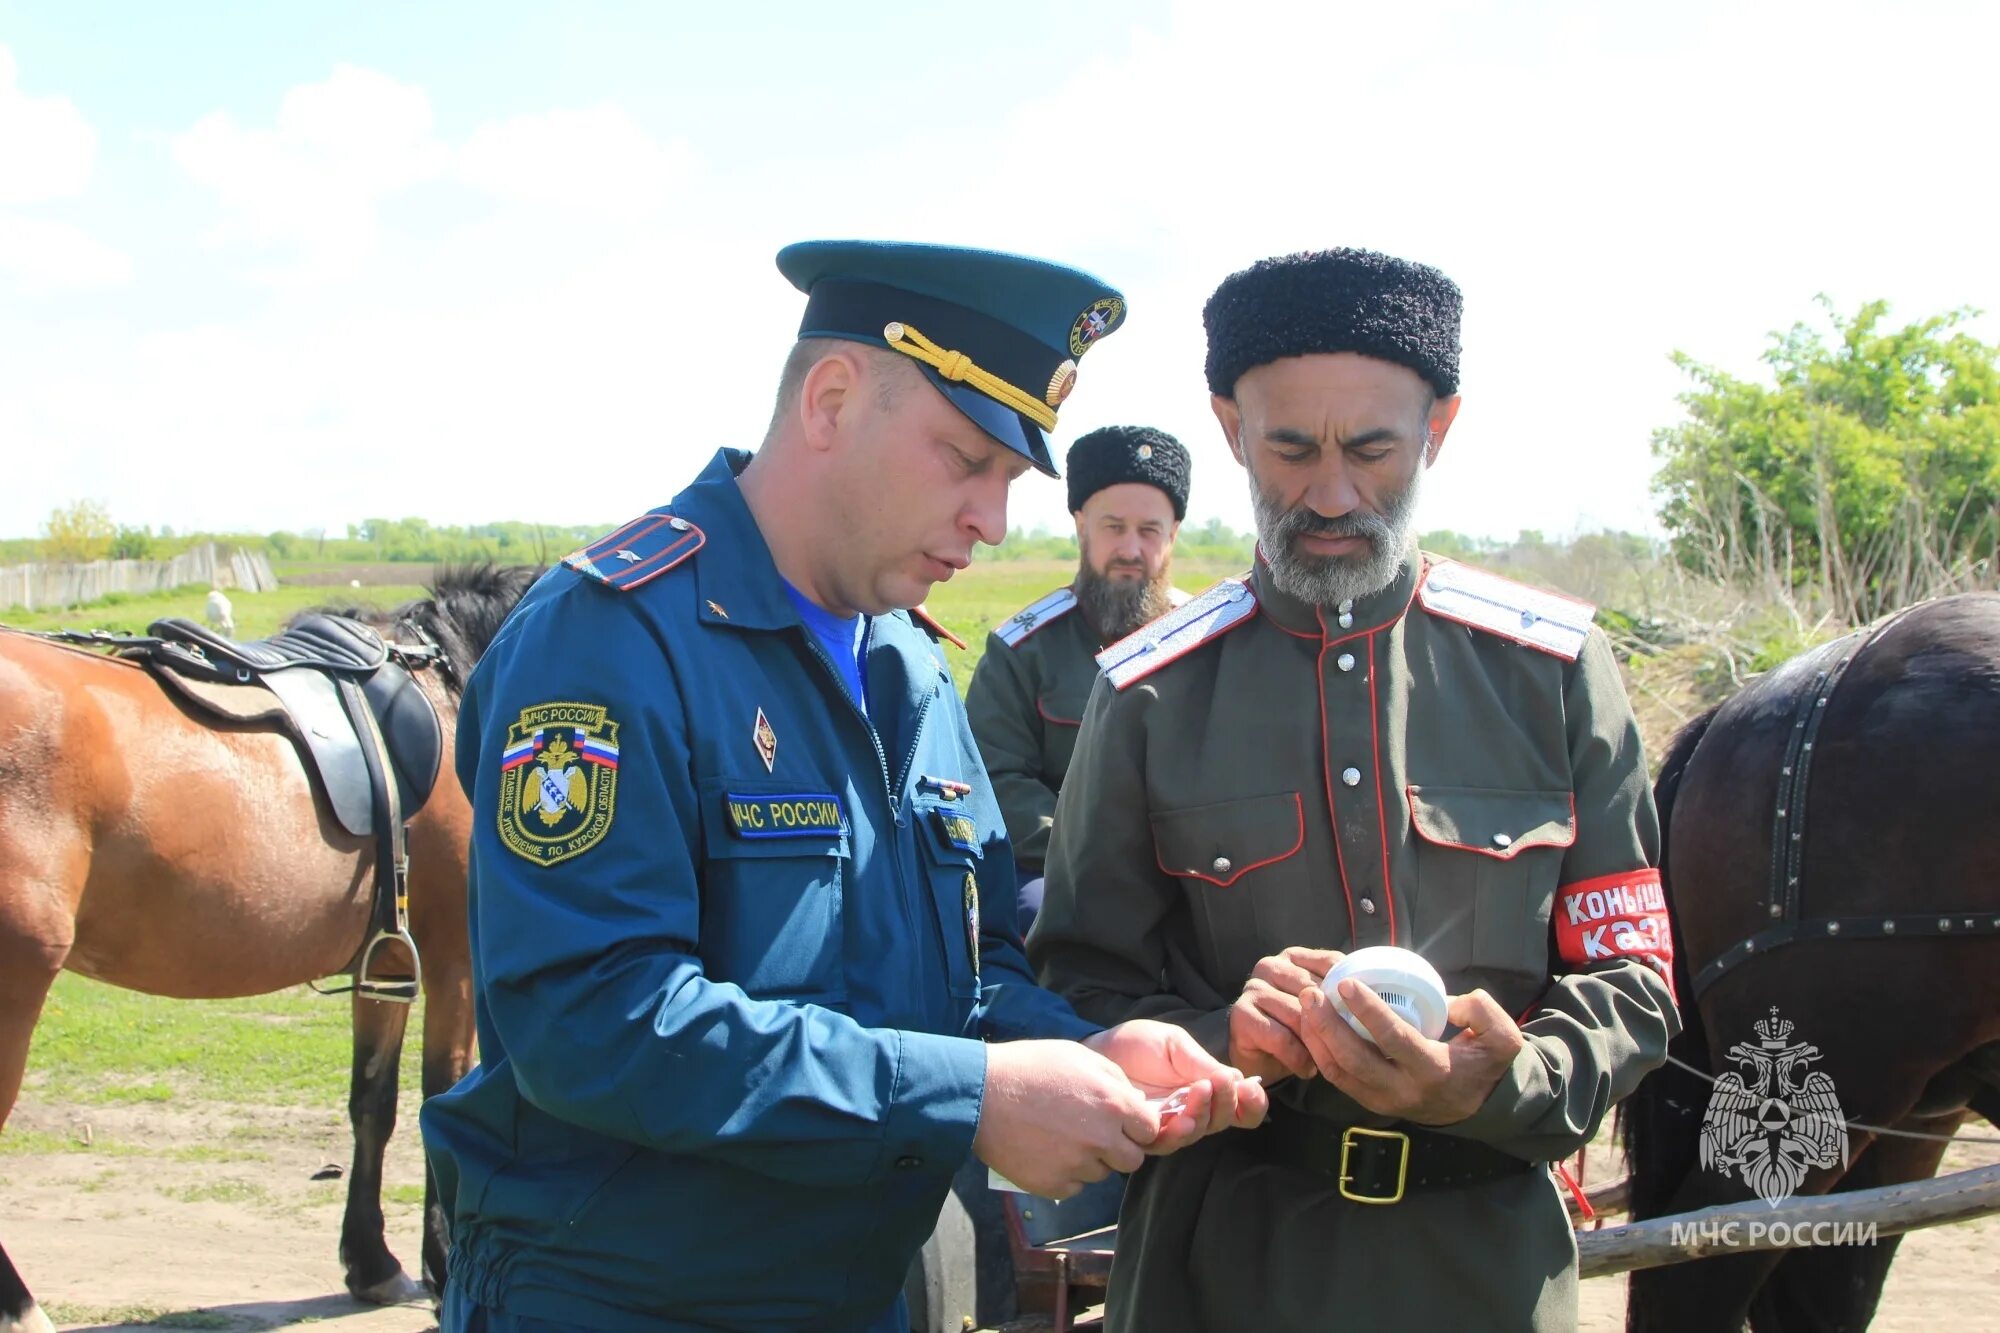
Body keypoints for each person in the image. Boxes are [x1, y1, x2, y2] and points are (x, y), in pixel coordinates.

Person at [419, 240, 1267, 1333]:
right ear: (829, 399)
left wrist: (1066, 1048)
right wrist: (971, 1098)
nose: (992, 521)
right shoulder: (609, 640)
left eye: (1009, 482)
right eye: (964, 459)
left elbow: (960, 972)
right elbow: (592, 1021)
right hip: (628, 1299)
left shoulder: (906, 662)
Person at [1029, 247, 1679, 1331]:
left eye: (1372, 449)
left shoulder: (1553, 672)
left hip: (1485, 1270)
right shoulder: (1147, 691)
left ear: (1439, 426)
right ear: (1231, 429)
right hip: (1221, 1266)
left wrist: (1500, 1081)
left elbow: (1633, 979)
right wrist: (1223, 1037)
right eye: (1287, 448)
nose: (1329, 494)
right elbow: (1080, 987)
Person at [965, 424, 1191, 933]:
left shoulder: (1210, 642)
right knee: (1048, 918)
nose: (1131, 549)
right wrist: (1102, 852)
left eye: (1149, 530)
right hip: (1060, 865)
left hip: (1193, 868)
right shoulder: (1022, 650)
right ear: (1081, 526)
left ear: (1172, 535)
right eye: (1113, 527)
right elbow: (996, 779)